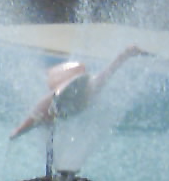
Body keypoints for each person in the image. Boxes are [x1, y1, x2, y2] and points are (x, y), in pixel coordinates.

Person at [9, 44, 147, 139]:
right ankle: (22, 129)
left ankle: (23, 128)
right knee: (81, 73)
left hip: (71, 102)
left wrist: (127, 54)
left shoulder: (89, 85)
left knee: (83, 74)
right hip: (70, 102)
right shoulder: (88, 84)